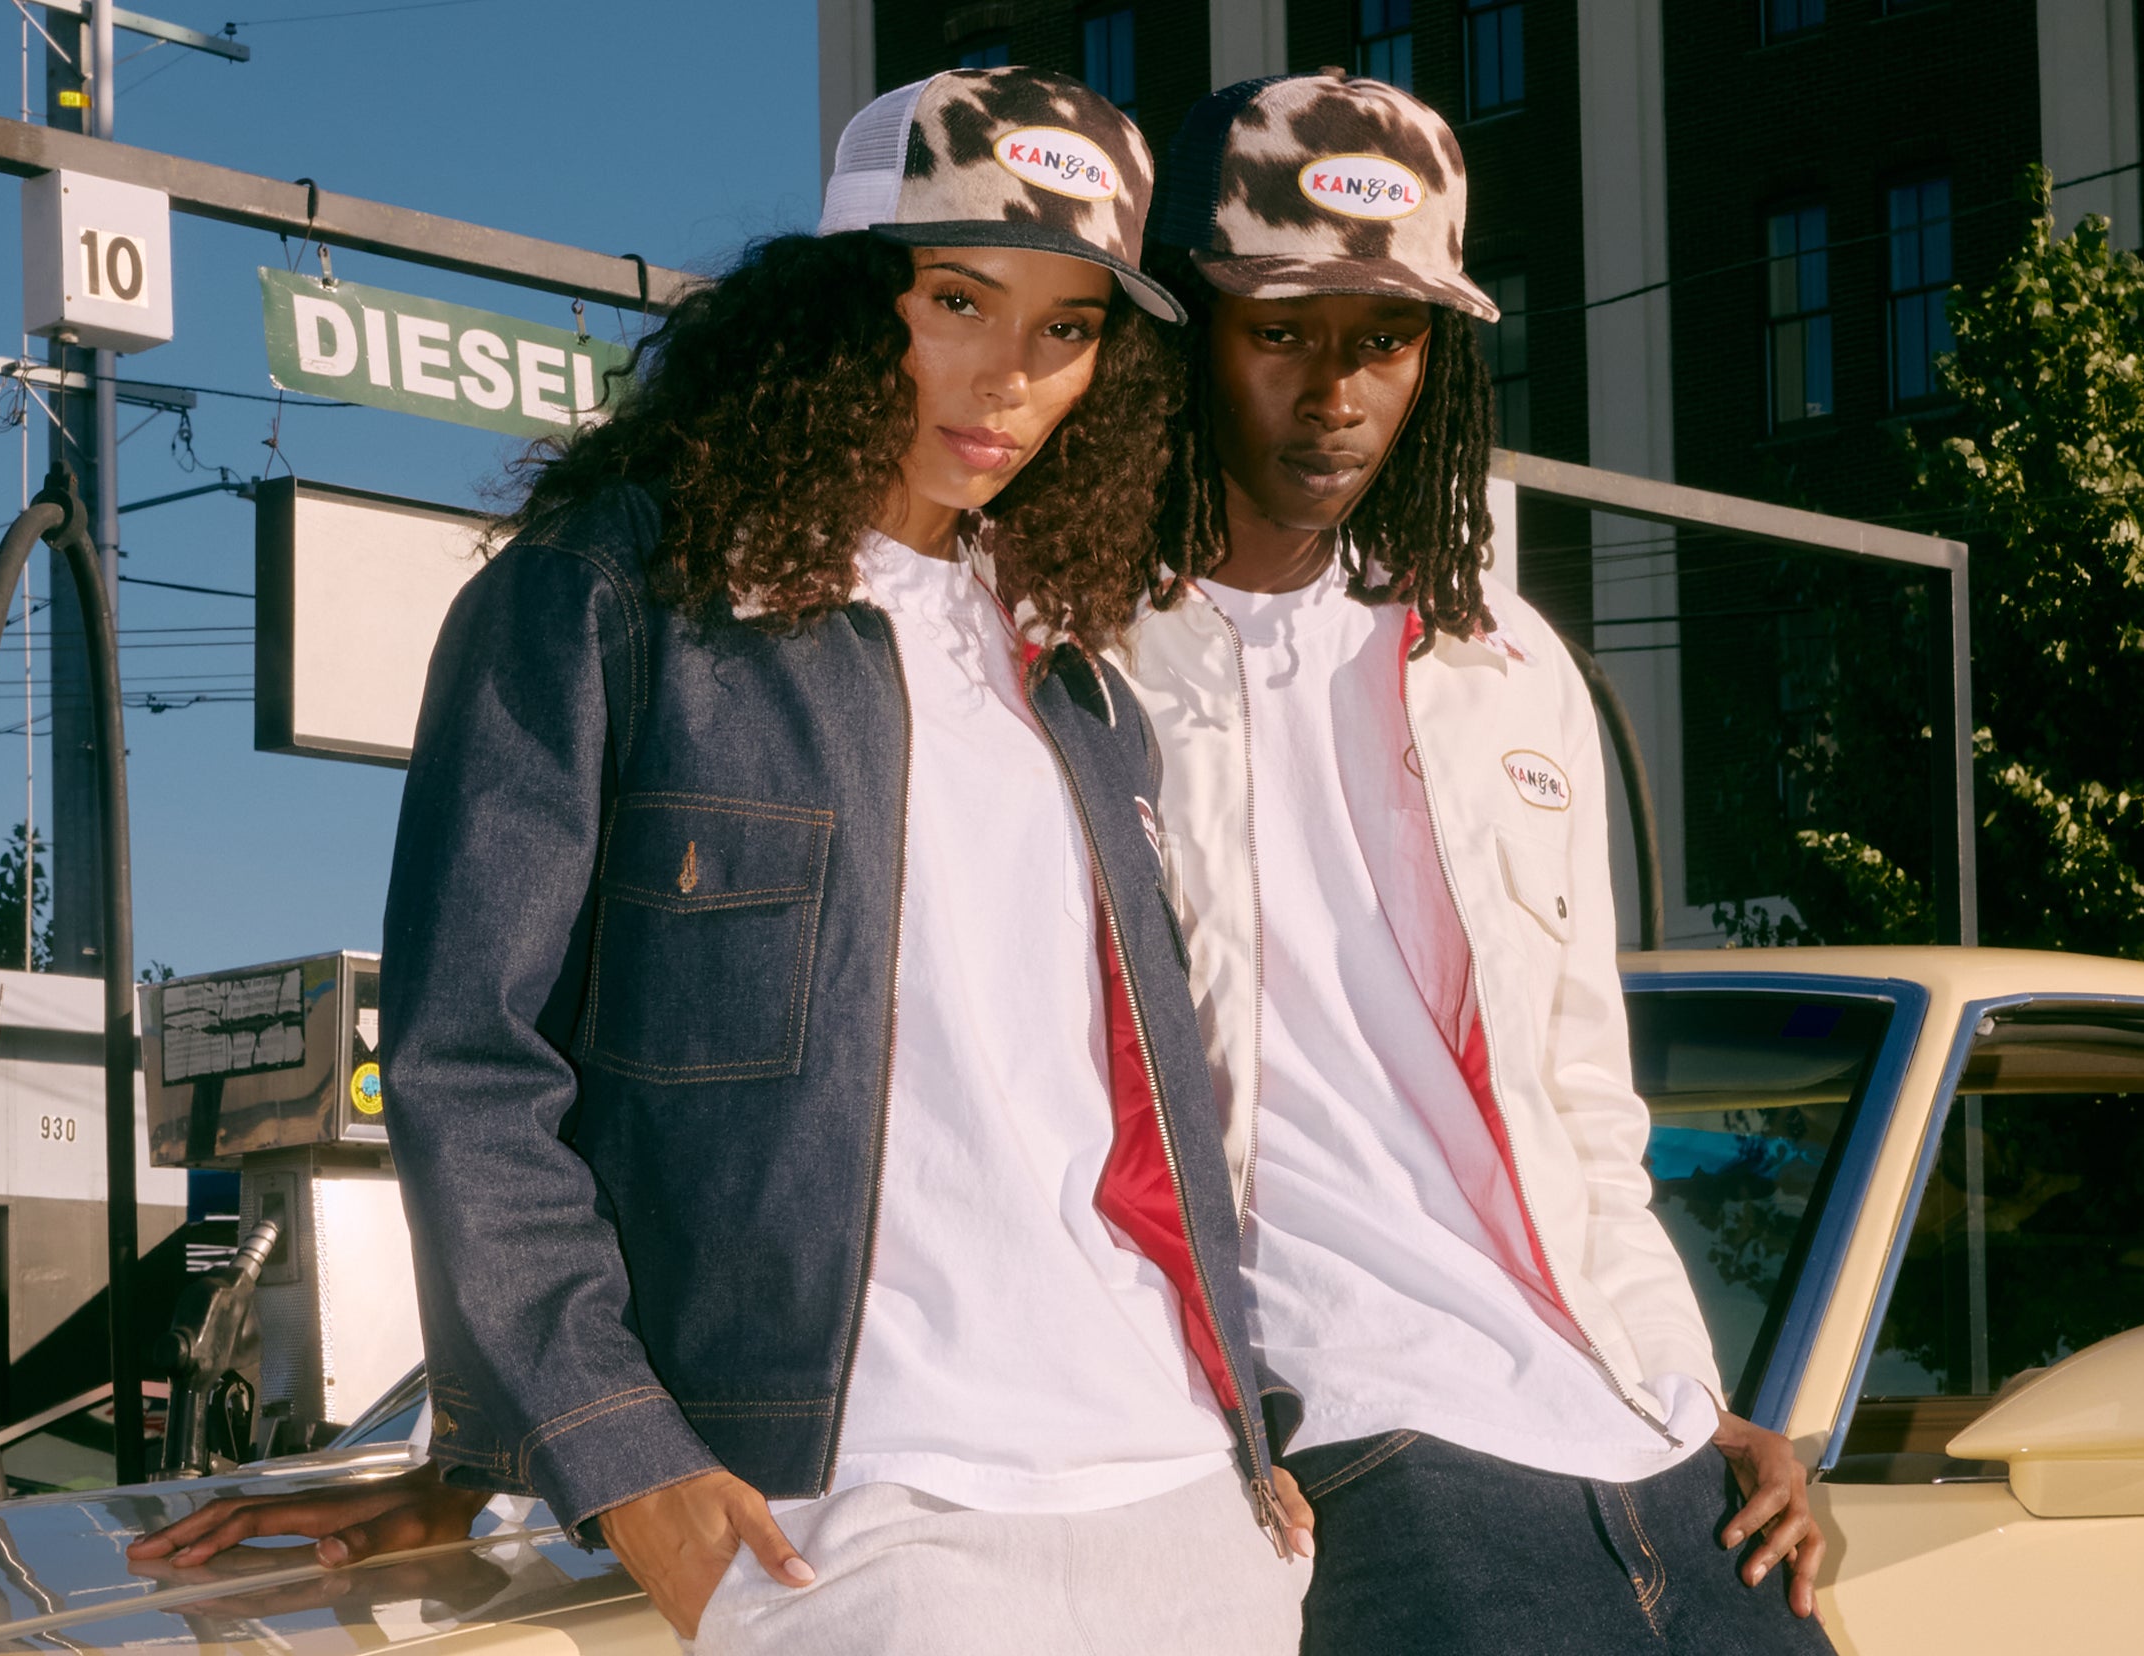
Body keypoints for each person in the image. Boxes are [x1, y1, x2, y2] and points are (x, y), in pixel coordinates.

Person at [131, 67, 1299, 1656]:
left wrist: (1241, 1411)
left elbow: (1144, 1099)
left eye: (1068, 326)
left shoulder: (1080, 682)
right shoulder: (614, 600)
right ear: (832, 298)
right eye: (956, 298)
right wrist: (603, 1452)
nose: (1009, 375)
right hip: (852, 1524)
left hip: (1179, 1502)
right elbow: (475, 1064)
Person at [1111, 71, 1832, 1654]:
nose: (1337, 391)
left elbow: (1582, 1099)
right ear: (1186, 332)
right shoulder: (1078, 653)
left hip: (1638, 1443)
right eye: (1283, 328)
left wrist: (1697, 1397)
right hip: (1357, 1450)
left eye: (1385, 337)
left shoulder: (1504, 664)